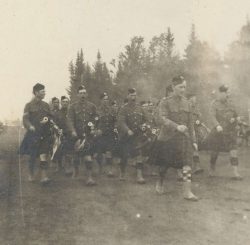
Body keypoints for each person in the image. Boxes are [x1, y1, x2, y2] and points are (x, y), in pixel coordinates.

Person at [154, 76, 198, 201]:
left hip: (183, 139)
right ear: (173, 87)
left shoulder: (188, 103)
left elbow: (191, 124)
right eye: (180, 87)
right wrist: (176, 126)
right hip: (168, 139)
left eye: (184, 87)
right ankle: (160, 182)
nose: (183, 90)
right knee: (164, 166)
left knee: (187, 164)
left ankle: (187, 191)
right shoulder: (165, 102)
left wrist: (194, 141)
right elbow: (162, 118)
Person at [20, 83, 54, 184]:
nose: (44, 93)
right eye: (42, 91)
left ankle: (44, 177)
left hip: (44, 134)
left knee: (43, 155)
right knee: (33, 156)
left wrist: (47, 119)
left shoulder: (46, 105)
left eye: (44, 91)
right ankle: (31, 173)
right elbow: (25, 119)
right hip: (33, 135)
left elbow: (51, 117)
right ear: (36, 92)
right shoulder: (28, 105)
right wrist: (30, 126)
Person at [208, 85, 242, 180]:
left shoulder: (231, 103)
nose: (228, 95)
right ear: (221, 93)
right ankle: (212, 168)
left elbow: (236, 115)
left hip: (230, 132)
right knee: (214, 153)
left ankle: (235, 173)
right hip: (218, 132)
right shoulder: (214, 104)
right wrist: (217, 125)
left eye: (229, 93)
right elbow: (212, 116)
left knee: (233, 151)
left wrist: (236, 119)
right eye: (227, 93)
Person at [67, 85, 98, 185]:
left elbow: (96, 119)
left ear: (87, 94)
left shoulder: (92, 106)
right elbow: (70, 120)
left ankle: (89, 178)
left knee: (88, 156)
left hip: (88, 135)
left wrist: (94, 129)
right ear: (77, 95)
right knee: (76, 156)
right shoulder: (72, 107)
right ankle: (76, 170)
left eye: (84, 93)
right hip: (76, 135)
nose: (83, 95)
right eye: (81, 93)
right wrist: (72, 131)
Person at [117, 88, 147, 183]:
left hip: (137, 136)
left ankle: (139, 176)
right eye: (131, 95)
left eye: (135, 95)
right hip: (126, 137)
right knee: (124, 156)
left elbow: (146, 120)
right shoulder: (123, 109)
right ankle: (122, 173)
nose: (133, 97)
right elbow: (121, 122)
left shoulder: (140, 108)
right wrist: (127, 130)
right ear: (127, 96)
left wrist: (144, 126)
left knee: (139, 155)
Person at [95, 92, 117, 177]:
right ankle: (100, 167)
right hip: (100, 135)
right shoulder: (97, 111)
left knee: (109, 152)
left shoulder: (112, 110)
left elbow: (115, 120)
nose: (106, 101)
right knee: (99, 153)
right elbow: (94, 122)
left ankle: (109, 170)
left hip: (110, 134)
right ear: (101, 100)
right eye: (104, 99)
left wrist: (115, 127)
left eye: (107, 99)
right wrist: (97, 130)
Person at [52, 96, 71, 172]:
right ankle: (59, 166)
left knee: (68, 151)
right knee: (58, 151)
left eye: (67, 102)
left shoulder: (71, 112)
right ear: (61, 103)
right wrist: (58, 130)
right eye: (63, 102)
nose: (65, 103)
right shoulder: (57, 113)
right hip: (59, 134)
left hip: (69, 134)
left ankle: (67, 167)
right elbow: (54, 123)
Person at [187, 93, 204, 174]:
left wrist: (198, 121)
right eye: (192, 100)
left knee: (194, 148)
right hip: (186, 131)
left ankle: (196, 167)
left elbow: (200, 119)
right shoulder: (185, 109)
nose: (193, 102)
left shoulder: (196, 110)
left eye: (195, 100)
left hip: (194, 132)